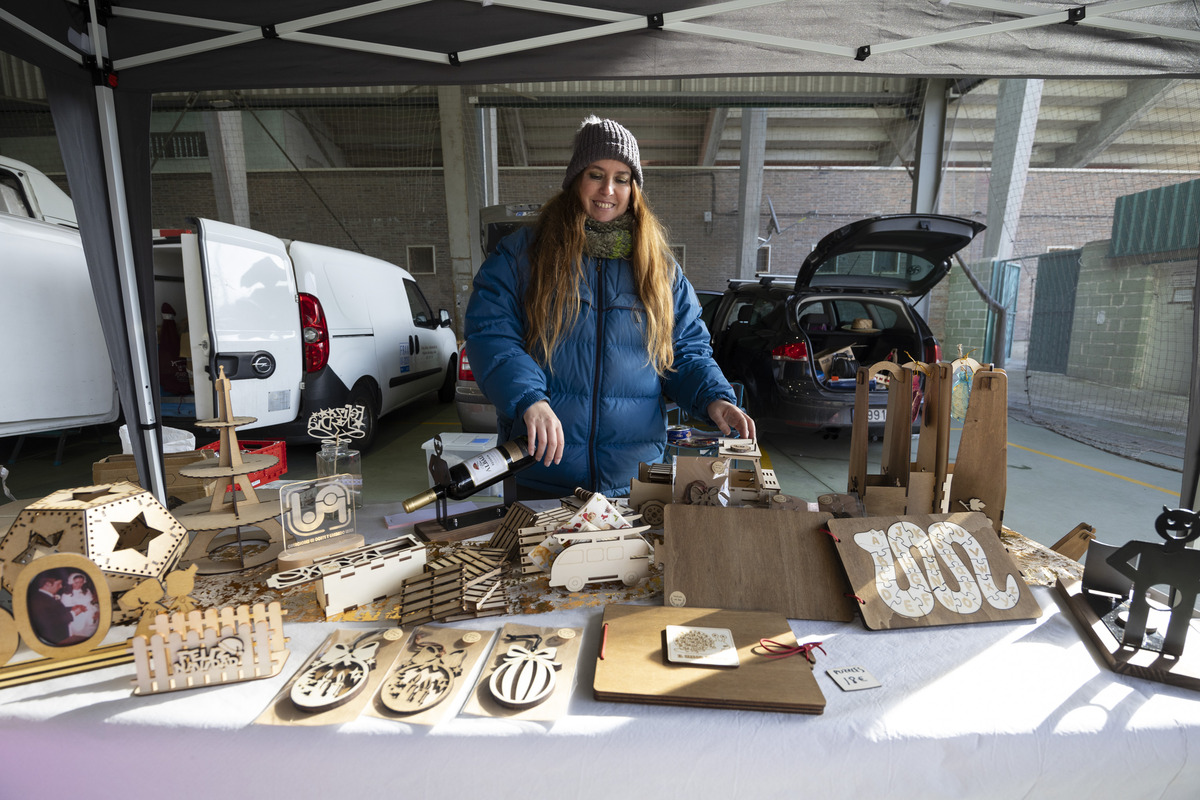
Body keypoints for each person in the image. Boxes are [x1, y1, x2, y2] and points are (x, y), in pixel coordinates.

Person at [465, 115, 754, 498]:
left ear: (634, 188)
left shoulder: (659, 268)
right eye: (596, 174)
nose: (608, 189)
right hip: (544, 472)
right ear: (575, 180)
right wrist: (529, 399)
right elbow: (492, 336)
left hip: (634, 479)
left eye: (621, 178)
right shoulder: (524, 255)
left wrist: (714, 397)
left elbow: (684, 351)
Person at [27, 572, 76, 645]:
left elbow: (54, 611)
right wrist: (73, 613)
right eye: (59, 584)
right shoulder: (38, 600)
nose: (61, 586)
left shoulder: (44, 596)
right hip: (55, 640)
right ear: (47, 584)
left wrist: (72, 608)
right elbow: (50, 622)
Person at [61, 572, 100, 639]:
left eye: (81, 582)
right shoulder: (66, 594)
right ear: (71, 582)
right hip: (78, 619)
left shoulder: (87, 591)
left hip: (91, 615)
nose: (79, 585)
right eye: (76, 583)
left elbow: (91, 603)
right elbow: (67, 610)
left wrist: (96, 611)